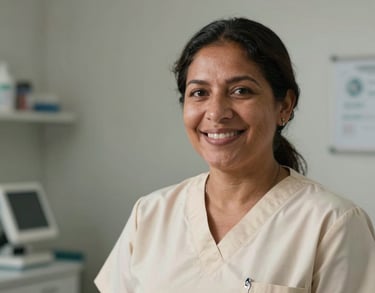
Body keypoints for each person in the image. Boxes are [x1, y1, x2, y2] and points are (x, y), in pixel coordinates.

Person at [95, 17, 375, 292]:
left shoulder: (333, 223)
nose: (216, 112)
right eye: (199, 92)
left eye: (241, 91)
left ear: (284, 106)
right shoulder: (150, 215)